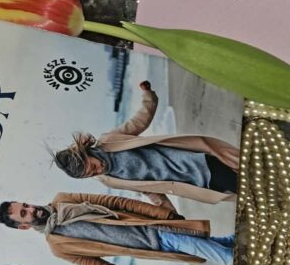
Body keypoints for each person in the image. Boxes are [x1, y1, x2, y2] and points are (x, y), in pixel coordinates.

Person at [0, 192, 235, 265]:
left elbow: (116, 203)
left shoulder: (63, 199)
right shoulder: (58, 246)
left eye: (25, 205)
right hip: (154, 248)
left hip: (159, 229)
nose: (31, 209)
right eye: (24, 214)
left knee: (226, 258)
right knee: (223, 245)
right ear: (23, 227)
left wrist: (163, 214)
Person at [53, 81, 239, 203]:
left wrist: (148, 96)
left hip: (199, 163)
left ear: (87, 154)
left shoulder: (109, 141)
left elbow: (140, 121)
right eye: (91, 174)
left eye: (93, 166)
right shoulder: (109, 180)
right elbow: (149, 189)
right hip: (197, 185)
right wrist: (168, 213)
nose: (98, 170)